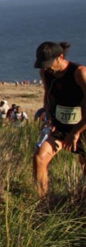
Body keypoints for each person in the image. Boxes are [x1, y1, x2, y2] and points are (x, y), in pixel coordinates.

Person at [31, 41, 86, 199]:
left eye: (48, 64)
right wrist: (48, 117)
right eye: (43, 64)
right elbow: (48, 95)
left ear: (60, 57)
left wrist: (76, 133)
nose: (46, 68)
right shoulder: (45, 72)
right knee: (39, 158)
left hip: (82, 127)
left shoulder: (79, 73)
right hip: (60, 126)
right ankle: (42, 202)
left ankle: (80, 203)